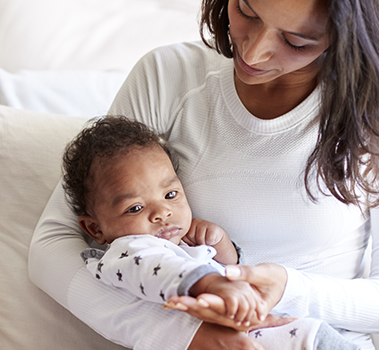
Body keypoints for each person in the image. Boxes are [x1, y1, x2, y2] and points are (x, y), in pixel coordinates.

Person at [29, 0, 379, 349]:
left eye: (297, 40)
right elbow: (52, 247)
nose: (255, 50)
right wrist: (187, 337)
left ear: (350, 36)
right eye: (246, 8)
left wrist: (287, 288)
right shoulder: (169, 77)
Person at [61, 115, 360, 350]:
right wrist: (211, 282)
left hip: (262, 331)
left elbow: (234, 269)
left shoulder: (181, 246)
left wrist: (220, 244)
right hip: (261, 337)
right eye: (135, 208)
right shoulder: (127, 252)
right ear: (95, 228)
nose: (161, 213)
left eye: (170, 195)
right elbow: (158, 270)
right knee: (315, 337)